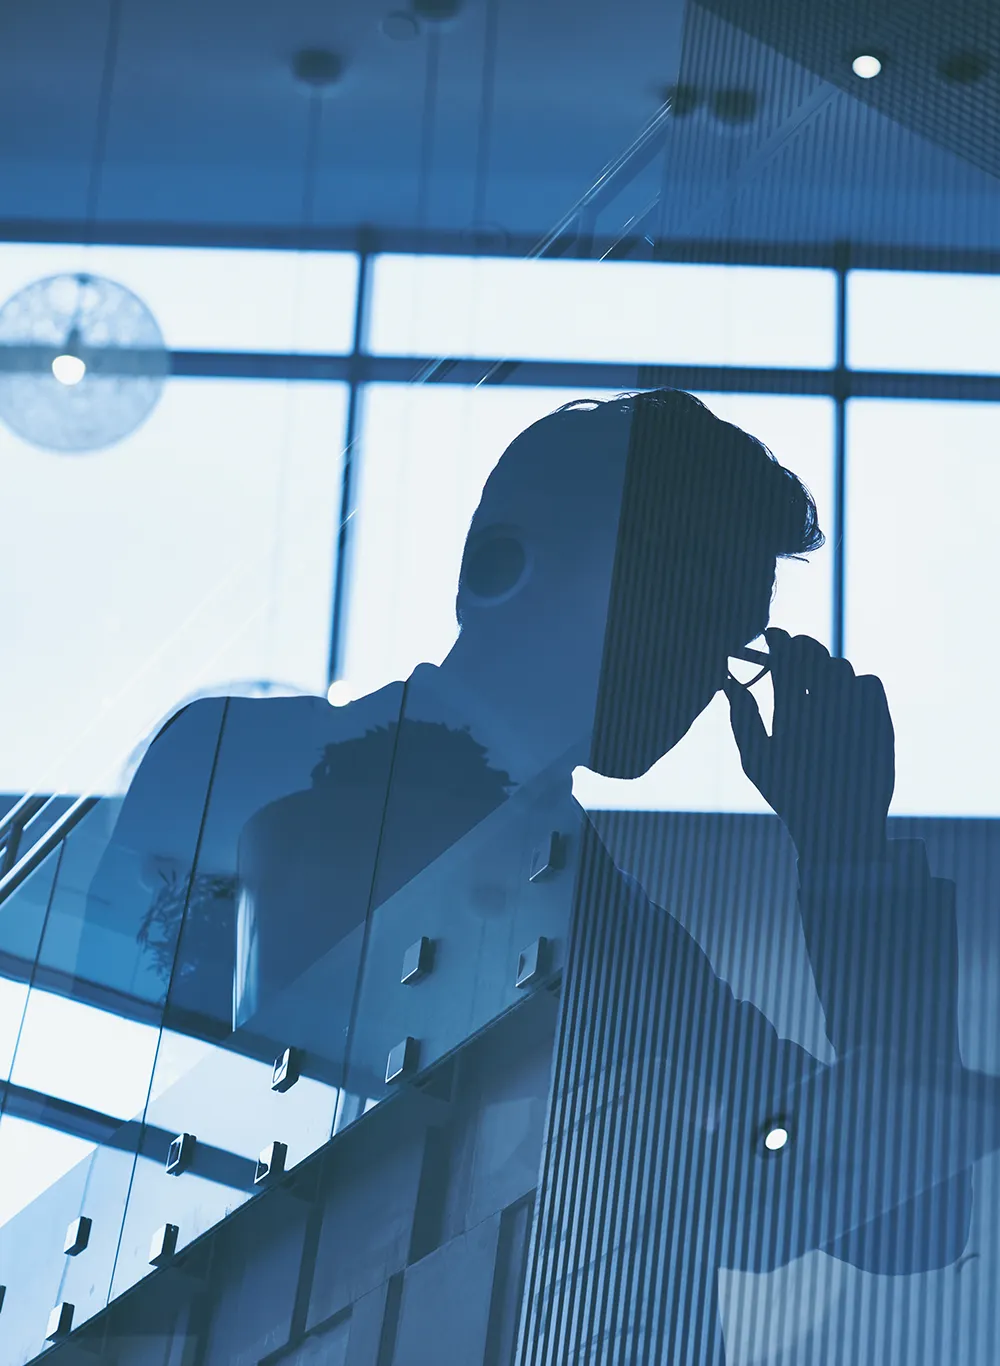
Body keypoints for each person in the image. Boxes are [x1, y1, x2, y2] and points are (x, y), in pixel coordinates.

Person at [91, 389, 984, 1355]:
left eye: (728, 642)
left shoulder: (616, 928)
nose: (700, 677)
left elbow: (911, 1216)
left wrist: (847, 857)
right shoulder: (242, 763)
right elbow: (141, 1104)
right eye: (686, 611)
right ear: (508, 571)